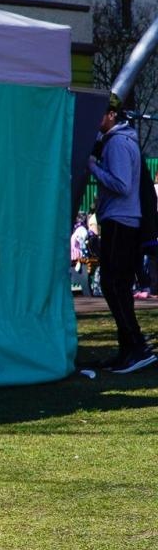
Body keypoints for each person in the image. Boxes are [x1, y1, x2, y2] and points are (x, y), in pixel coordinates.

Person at [88, 93, 154, 372]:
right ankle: (128, 348)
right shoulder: (123, 141)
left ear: (112, 115)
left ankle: (136, 346)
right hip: (124, 220)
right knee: (118, 286)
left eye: (100, 114)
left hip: (120, 220)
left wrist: (92, 166)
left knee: (114, 285)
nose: (97, 120)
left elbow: (121, 184)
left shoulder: (116, 144)